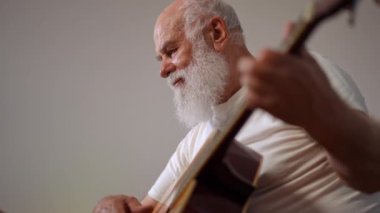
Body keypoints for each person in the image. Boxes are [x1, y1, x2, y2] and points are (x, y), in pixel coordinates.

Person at [93, 0, 380, 212]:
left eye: (171, 51)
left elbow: (373, 169)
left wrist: (321, 116)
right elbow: (145, 208)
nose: (163, 71)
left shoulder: (303, 78)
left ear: (216, 33)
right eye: (161, 59)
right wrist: (105, 207)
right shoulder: (194, 145)